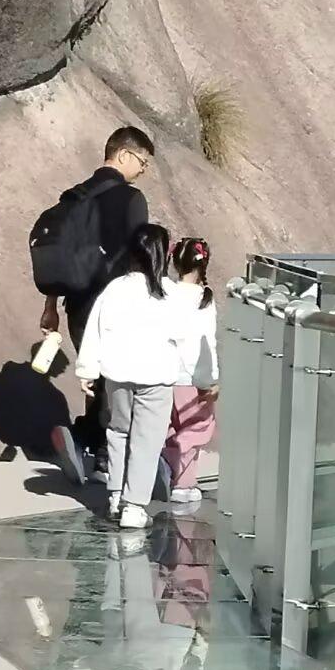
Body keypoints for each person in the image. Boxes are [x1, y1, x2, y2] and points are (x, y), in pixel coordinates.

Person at [30, 124, 156, 483]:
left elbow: (62, 252)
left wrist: (50, 305)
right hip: (115, 303)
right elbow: (138, 256)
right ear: (124, 154)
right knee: (116, 379)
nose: (143, 171)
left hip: (76, 304)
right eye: (143, 162)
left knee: (95, 376)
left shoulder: (75, 196)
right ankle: (98, 452)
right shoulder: (131, 200)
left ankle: (86, 441)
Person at [74, 223, 200, 527]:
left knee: (118, 432)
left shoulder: (115, 289)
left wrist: (87, 370)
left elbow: (96, 330)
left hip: (117, 375)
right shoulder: (171, 293)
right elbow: (186, 338)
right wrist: (192, 374)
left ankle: (115, 495)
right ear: (164, 254)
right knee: (146, 440)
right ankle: (134, 506)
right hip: (157, 377)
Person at [161, 236, 219, 501]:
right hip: (192, 378)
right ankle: (181, 484)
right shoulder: (204, 299)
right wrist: (210, 380)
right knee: (198, 427)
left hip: (163, 374)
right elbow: (207, 343)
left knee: (171, 425)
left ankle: (173, 476)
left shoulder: (165, 291)